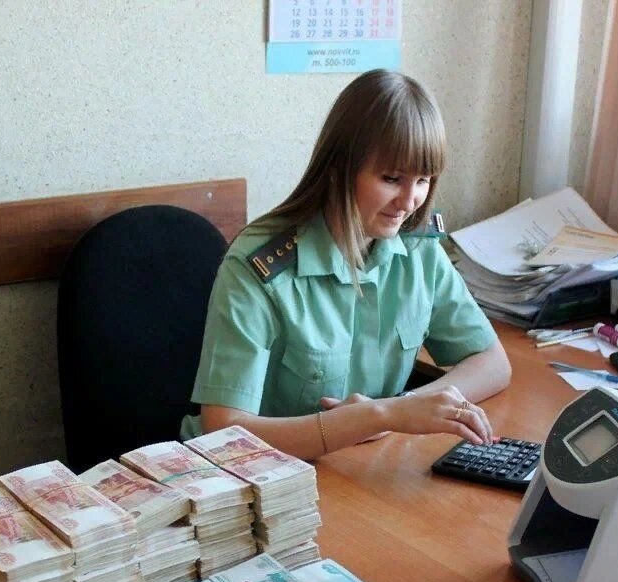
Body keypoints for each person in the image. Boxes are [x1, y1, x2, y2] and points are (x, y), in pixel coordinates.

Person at [182, 69, 511, 459]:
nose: (409, 202)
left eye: (423, 180)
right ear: (339, 168)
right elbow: (223, 431)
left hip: (356, 466)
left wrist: (401, 409)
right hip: (253, 474)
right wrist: (377, 416)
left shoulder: (418, 247)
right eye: (392, 178)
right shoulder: (261, 267)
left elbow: (492, 363)